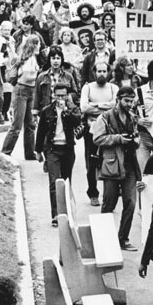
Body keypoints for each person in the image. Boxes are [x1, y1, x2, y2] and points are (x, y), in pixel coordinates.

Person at [92, 85, 143, 251]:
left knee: (130, 203)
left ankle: (123, 239)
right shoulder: (105, 117)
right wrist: (118, 139)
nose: (129, 104)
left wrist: (135, 140)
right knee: (109, 203)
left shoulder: (132, 117)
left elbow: (137, 138)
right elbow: (97, 138)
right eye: (126, 101)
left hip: (130, 165)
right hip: (112, 165)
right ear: (118, 99)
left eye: (131, 101)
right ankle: (103, 241)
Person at [34, 82, 81, 226]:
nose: (61, 98)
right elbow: (41, 131)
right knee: (54, 182)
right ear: (53, 95)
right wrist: (38, 151)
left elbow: (77, 122)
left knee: (66, 182)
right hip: (52, 149)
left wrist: (66, 110)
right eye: (58, 95)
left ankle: (66, 212)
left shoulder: (73, 110)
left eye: (63, 95)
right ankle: (56, 214)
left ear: (67, 96)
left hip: (67, 149)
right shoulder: (47, 111)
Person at [79, 61, 119, 206]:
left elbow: (116, 106)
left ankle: (110, 195)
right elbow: (84, 107)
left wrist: (95, 106)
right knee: (91, 163)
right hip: (92, 129)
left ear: (108, 72)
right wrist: (105, 108)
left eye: (104, 71)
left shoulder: (113, 88)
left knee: (110, 161)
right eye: (99, 71)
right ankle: (93, 193)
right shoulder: (88, 88)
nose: (101, 74)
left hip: (109, 130)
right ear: (94, 72)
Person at [1, 34, 43, 160]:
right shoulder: (27, 58)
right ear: (34, 45)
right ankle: (5, 151)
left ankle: (30, 153)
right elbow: (27, 76)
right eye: (38, 44)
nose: (40, 46)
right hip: (21, 90)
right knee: (17, 125)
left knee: (30, 124)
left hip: (31, 91)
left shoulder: (34, 58)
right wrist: (39, 74)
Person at [32, 46, 78, 114]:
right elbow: (37, 96)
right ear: (49, 60)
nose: (55, 61)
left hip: (64, 110)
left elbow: (75, 93)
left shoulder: (68, 76)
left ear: (61, 60)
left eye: (58, 58)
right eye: (53, 58)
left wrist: (67, 96)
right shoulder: (41, 77)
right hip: (46, 111)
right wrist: (35, 112)